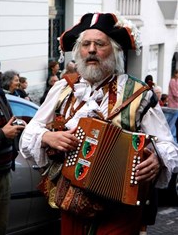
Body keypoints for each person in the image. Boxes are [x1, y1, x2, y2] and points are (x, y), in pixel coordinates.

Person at [19, 12, 178, 235]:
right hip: (72, 202)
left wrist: (158, 161)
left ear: (114, 51)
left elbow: (168, 145)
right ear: (78, 52)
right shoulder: (63, 89)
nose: (91, 50)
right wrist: (47, 136)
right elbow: (29, 133)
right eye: (86, 44)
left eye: (99, 44)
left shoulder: (139, 95)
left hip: (121, 208)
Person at [0, 88, 25, 235]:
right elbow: (3, 131)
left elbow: (8, 121)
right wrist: (2, 133)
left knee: (1, 227)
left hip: (4, 172)